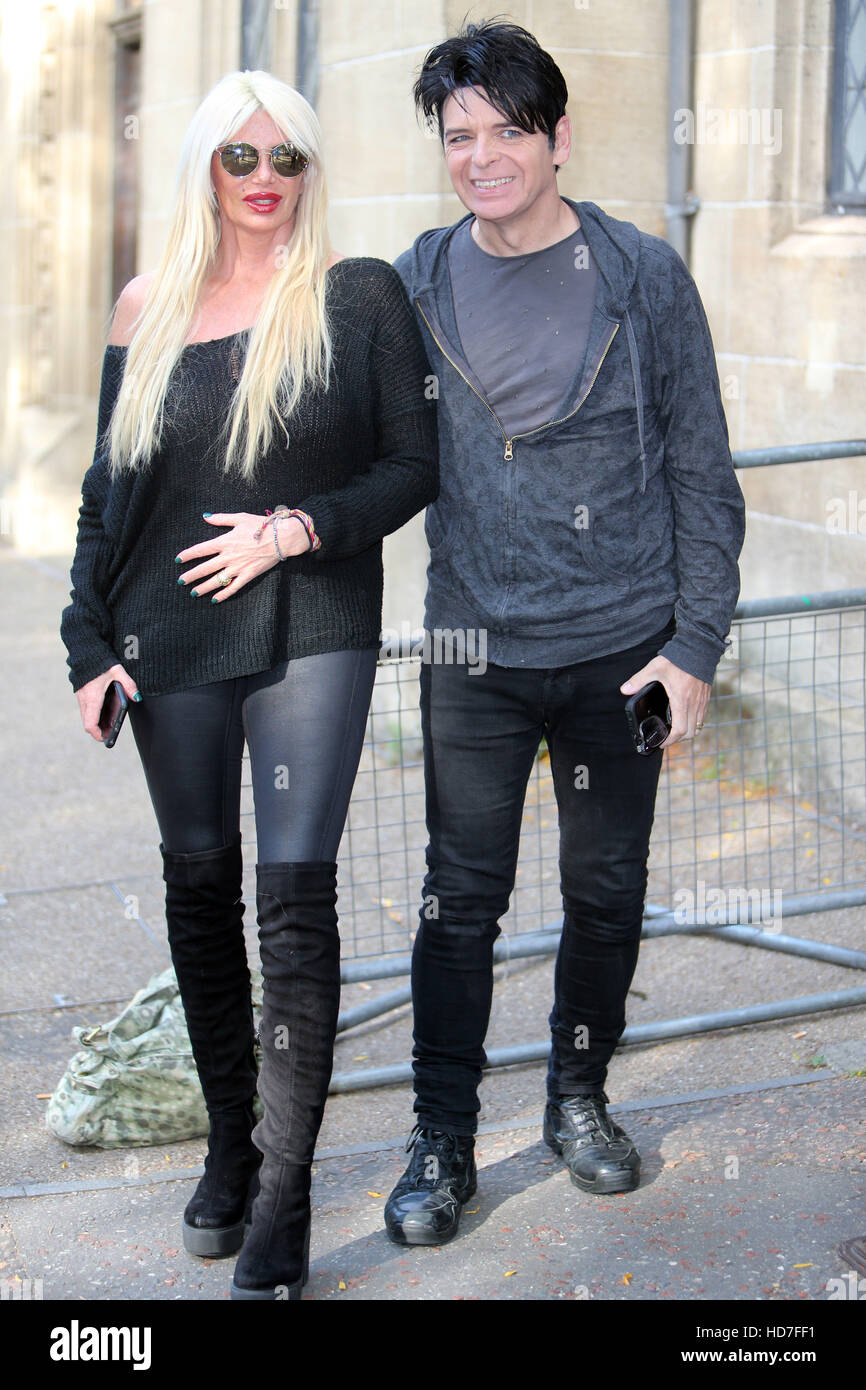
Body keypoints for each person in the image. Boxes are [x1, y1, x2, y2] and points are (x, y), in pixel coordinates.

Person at [60, 69, 437, 1298]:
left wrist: (295, 529)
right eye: (240, 158)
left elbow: (410, 466)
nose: (266, 180)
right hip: (169, 642)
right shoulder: (144, 307)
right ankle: (230, 1142)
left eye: (287, 160)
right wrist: (88, 641)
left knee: (291, 904)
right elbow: (110, 497)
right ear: (203, 169)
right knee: (198, 890)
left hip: (312, 620)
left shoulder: (357, 296)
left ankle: (280, 1198)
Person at [384, 20, 746, 1246]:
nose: (482, 157)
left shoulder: (641, 277)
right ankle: (440, 1140)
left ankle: (576, 1099)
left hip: (619, 652)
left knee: (603, 893)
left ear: (556, 137)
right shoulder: (415, 279)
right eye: (460, 136)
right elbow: (364, 454)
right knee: (458, 902)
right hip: (471, 652)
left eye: (505, 132)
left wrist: (693, 647)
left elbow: (702, 469)